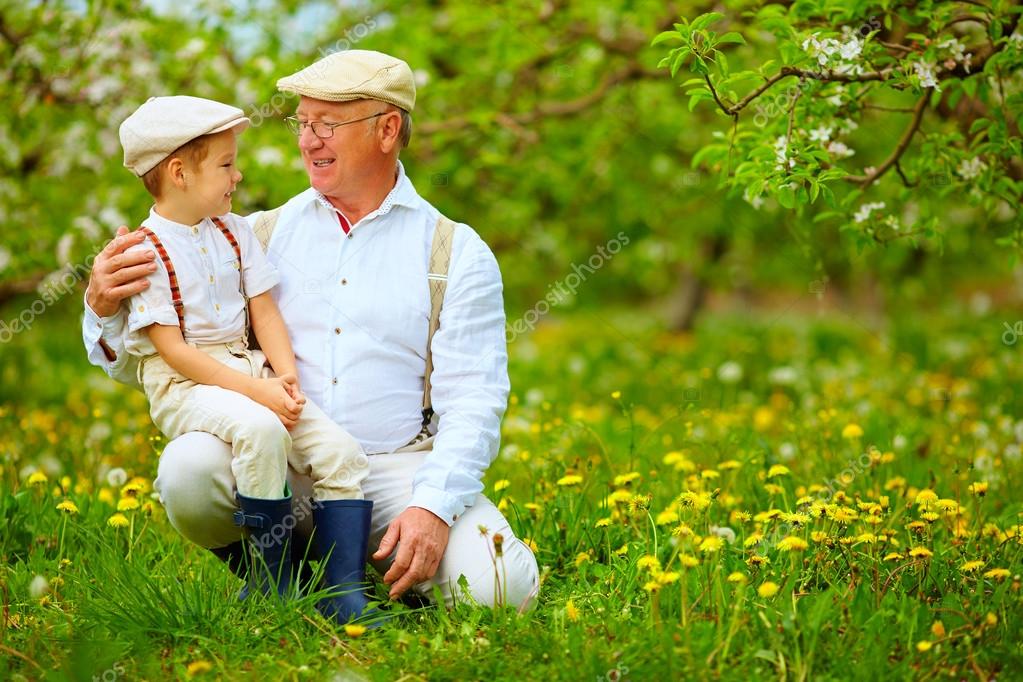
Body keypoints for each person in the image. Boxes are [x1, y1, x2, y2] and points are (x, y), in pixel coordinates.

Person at [82, 50, 539, 612]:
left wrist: (434, 507)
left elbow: (474, 399)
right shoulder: (252, 235)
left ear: (387, 130)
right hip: (284, 464)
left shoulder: (454, 251)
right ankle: (290, 579)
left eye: (328, 124)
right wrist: (103, 308)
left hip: (400, 470)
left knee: (503, 590)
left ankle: (359, 568)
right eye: (303, 123)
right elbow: (154, 362)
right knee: (189, 470)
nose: (308, 140)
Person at [116, 96, 377, 622]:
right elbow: (174, 352)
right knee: (262, 432)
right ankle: (272, 582)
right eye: (226, 165)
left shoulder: (234, 234)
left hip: (249, 372)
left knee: (340, 451)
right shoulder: (145, 253)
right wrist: (258, 394)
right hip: (185, 384)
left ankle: (342, 592)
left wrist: (283, 375)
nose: (238, 176)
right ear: (179, 173)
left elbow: (265, 314)